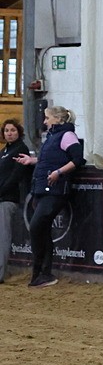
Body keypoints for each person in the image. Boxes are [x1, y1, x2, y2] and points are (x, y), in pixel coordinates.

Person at [14, 106, 85, 287]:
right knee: (41, 230)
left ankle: (42, 272)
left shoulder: (67, 136)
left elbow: (77, 159)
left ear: (57, 119)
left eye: (47, 118)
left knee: (37, 227)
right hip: (43, 189)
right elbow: (51, 159)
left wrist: (59, 172)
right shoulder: (53, 137)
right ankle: (42, 273)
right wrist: (32, 160)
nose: (45, 121)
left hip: (54, 191)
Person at [0, 119, 32, 283]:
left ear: (18, 132)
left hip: (8, 199)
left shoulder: (21, 149)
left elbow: (15, 177)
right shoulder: (3, 151)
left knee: (3, 237)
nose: (9, 133)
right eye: (6, 131)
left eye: (12, 130)